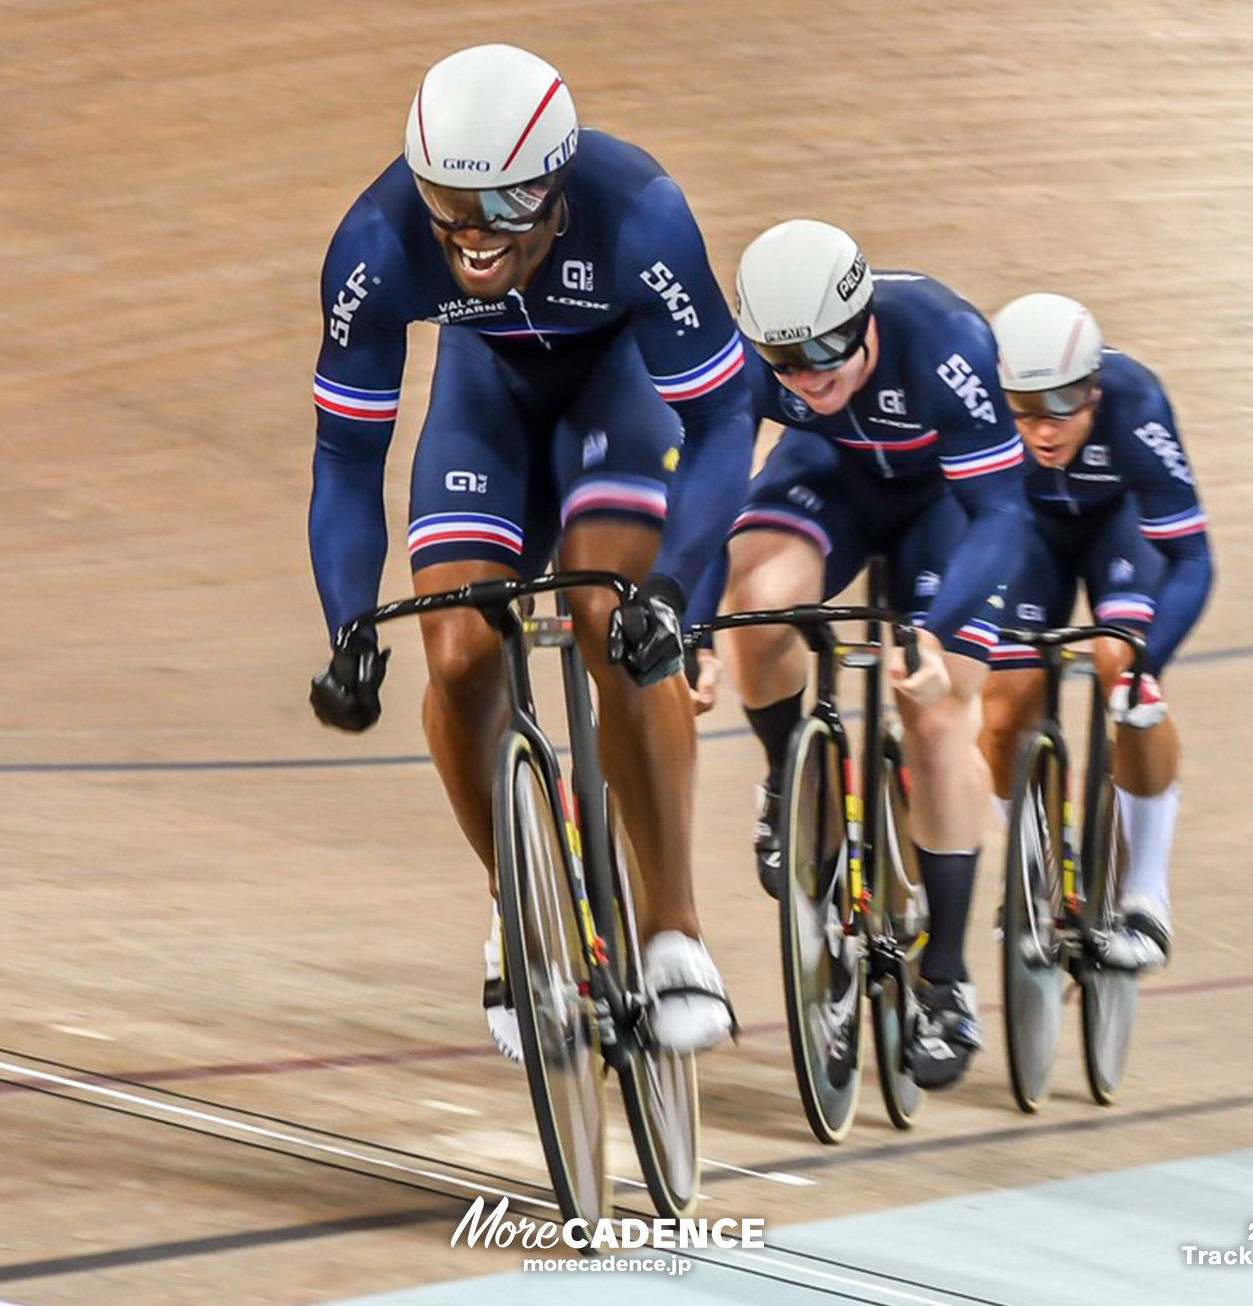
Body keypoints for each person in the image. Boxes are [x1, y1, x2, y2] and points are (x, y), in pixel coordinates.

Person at [304, 46, 755, 1058]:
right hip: (486, 403)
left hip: (616, 392)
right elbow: (345, 456)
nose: (469, 236)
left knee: (612, 618)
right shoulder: (376, 245)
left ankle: (675, 931)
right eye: (447, 203)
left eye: (502, 206)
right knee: (459, 658)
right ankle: (520, 908)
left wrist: (675, 589)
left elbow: (726, 416)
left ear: (556, 186)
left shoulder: (639, 213)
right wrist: (346, 628)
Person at [697, 219, 1029, 1089]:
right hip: (831, 477)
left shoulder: (948, 343)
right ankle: (785, 779)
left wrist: (937, 628)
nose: (808, 375)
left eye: (826, 352)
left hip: (943, 506)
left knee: (934, 709)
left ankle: (947, 981)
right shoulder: (764, 368)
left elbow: (1001, 511)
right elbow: (714, 486)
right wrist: (695, 629)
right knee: (758, 610)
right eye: (786, 362)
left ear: (865, 314)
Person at [983, 293, 1215, 970]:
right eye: (1026, 411)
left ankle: (1147, 894)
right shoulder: (980, 406)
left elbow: (1193, 558)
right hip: (1028, 535)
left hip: (1121, 530)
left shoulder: (1135, 404)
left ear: (1094, 388)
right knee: (1003, 711)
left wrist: (1148, 667)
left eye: (1063, 406)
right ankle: (1038, 872)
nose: (1045, 429)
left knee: (1121, 665)